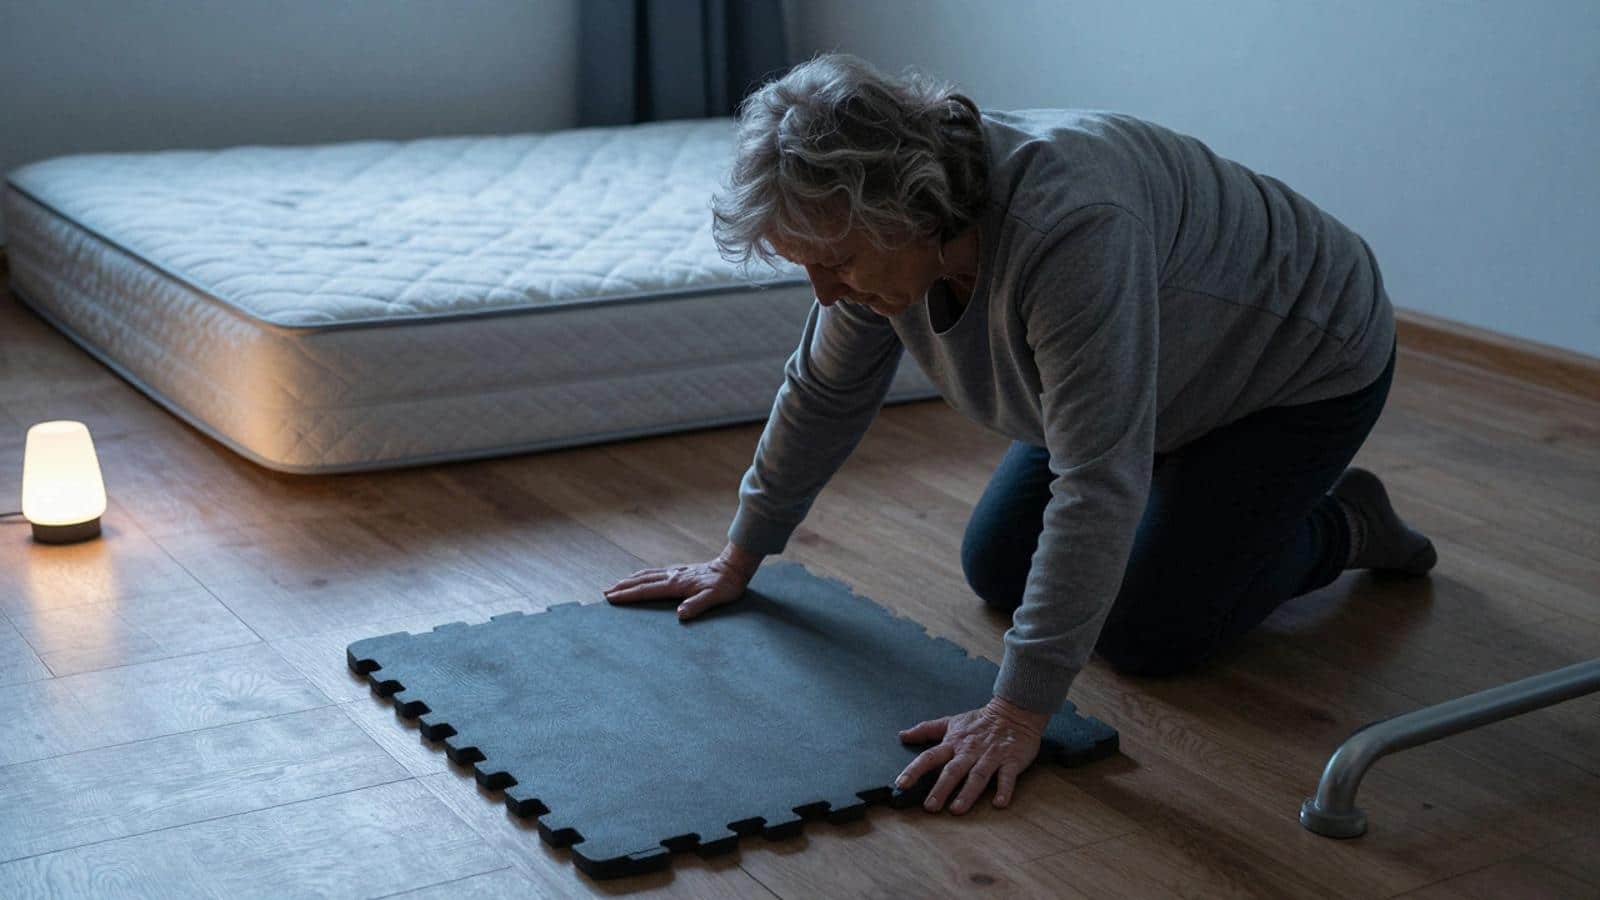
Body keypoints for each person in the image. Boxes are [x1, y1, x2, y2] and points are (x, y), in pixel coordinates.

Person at [603, 53, 1436, 816]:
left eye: (838, 263)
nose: (824, 292)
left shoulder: (1072, 227)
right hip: (1137, 377)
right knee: (997, 566)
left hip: (1291, 367)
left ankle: (1342, 523)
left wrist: (1017, 711)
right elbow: (822, 391)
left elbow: (1097, 478)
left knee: (1152, 630)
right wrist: (740, 554)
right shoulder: (879, 245)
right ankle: (1209, 497)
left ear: (910, 211)